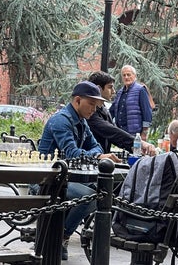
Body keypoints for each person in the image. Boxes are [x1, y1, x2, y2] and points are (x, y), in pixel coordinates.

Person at [37, 80, 121, 260]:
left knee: (101, 192)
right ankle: (60, 237)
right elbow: (73, 154)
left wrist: (96, 154)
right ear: (77, 101)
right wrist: (97, 156)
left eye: (96, 105)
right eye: (91, 104)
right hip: (46, 182)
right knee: (90, 197)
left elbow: (98, 147)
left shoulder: (82, 121)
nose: (94, 109)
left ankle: (60, 236)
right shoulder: (61, 120)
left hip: (67, 179)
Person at [87, 71, 155, 155]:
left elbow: (114, 133)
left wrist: (135, 146)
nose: (113, 91)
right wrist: (139, 143)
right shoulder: (88, 112)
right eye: (110, 87)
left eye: (128, 74)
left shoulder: (104, 109)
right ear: (98, 89)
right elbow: (110, 131)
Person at [109, 65, 153, 141]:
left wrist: (144, 133)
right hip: (121, 133)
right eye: (124, 75)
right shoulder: (120, 93)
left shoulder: (140, 90)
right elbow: (111, 111)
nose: (126, 77)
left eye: (128, 74)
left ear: (134, 76)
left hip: (135, 134)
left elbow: (147, 112)